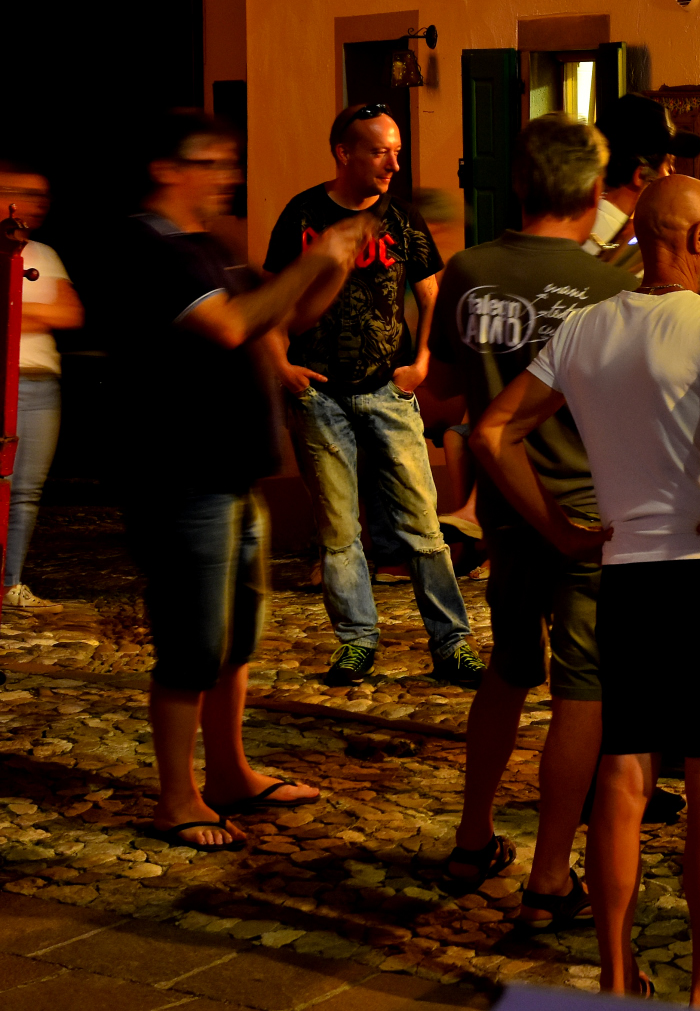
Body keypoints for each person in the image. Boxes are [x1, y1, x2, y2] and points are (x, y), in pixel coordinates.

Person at [473, 174, 700, 1005]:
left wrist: (561, 529)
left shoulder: (584, 328)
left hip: (625, 575)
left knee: (623, 776)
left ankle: (618, 978)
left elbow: (493, 429)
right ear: (695, 240)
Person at [113, 111, 371, 848]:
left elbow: (281, 318)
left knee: (236, 639)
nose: (227, 174)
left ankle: (229, 773)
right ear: (167, 169)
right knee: (191, 642)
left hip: (232, 471)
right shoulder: (149, 248)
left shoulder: (210, 246)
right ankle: (177, 797)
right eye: (212, 161)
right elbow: (230, 326)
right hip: (180, 474)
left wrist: (330, 265)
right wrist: (309, 262)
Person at [429, 115, 638, 924]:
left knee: (509, 669)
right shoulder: (612, 286)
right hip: (589, 511)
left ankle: (471, 836)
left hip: (508, 508)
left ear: (517, 184)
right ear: (593, 191)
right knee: (584, 687)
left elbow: (441, 394)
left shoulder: (468, 269)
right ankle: (551, 873)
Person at [263, 103, 481, 687]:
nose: (393, 164)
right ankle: (357, 641)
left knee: (423, 527)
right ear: (345, 153)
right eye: (381, 152)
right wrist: (281, 363)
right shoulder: (302, 215)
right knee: (339, 532)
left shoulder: (402, 219)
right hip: (319, 393)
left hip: (387, 388)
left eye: (397, 152)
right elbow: (272, 296)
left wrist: (422, 361)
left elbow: (432, 295)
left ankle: (452, 643)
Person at [2, 158, 83, 611]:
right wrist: (35, 312)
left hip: (39, 384)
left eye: (40, 196)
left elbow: (70, 313)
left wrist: (16, 311)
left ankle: (9, 583)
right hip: (3, 379)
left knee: (26, 493)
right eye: (21, 193)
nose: (34, 204)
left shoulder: (44, 254)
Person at [584, 93, 700, 268]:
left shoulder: (584, 222)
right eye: (669, 165)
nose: (672, 174)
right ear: (640, 176)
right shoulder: (636, 244)